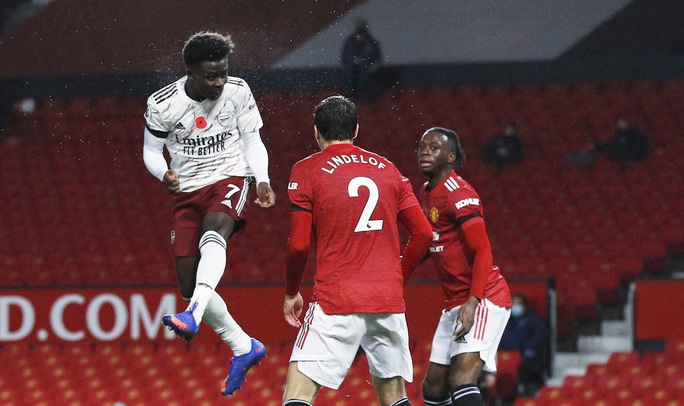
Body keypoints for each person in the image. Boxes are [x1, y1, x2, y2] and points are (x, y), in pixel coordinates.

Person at [142, 31, 276, 396]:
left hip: (230, 175)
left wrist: (261, 179)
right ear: (190, 71)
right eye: (210, 76)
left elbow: (252, 140)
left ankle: (193, 315)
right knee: (187, 283)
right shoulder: (163, 103)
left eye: (223, 73)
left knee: (214, 232)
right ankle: (244, 346)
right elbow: (151, 152)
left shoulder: (238, 90)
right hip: (186, 191)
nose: (219, 82)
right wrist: (163, 174)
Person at [282, 95, 433, 406]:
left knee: (297, 394)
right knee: (393, 396)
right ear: (357, 129)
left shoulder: (306, 170)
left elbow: (298, 243)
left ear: (315, 131)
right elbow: (424, 233)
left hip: (336, 298)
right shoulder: (388, 169)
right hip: (387, 300)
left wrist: (291, 291)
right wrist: (396, 277)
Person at [402, 127, 512, 406]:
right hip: (455, 302)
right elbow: (427, 242)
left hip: (484, 297)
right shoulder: (426, 192)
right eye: (422, 146)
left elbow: (482, 249)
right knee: (434, 388)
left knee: (462, 379)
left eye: (434, 147)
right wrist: (395, 277)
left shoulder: (459, 193)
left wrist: (473, 301)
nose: (425, 151)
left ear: (451, 156)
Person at [499, 294, 549, 398]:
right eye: (514, 303)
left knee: (528, 366)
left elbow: (538, 335)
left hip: (524, 353)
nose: (516, 306)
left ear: (524, 305)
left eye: (518, 303)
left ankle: (524, 389)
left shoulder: (533, 319)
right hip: (506, 353)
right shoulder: (506, 319)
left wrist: (530, 348)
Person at [341, 18, 383, 101]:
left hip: (367, 76)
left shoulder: (371, 42)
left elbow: (377, 57)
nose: (359, 27)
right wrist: (348, 65)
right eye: (358, 25)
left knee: (365, 80)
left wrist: (372, 67)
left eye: (361, 25)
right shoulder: (350, 41)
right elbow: (345, 56)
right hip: (351, 75)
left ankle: (365, 98)